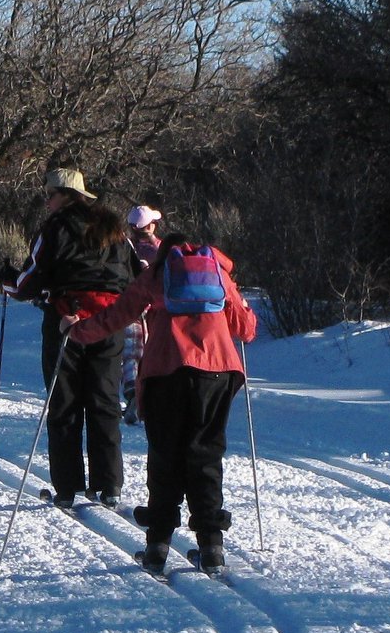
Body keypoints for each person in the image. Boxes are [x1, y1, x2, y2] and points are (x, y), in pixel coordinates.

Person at [64, 234, 258, 573]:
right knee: (205, 455)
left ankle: (157, 547)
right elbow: (247, 329)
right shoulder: (217, 273)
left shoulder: (154, 275)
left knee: (165, 456)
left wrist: (76, 331)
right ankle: (211, 547)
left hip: (164, 372)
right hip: (216, 373)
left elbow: (117, 316)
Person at [0, 168, 135, 506]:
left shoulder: (55, 227)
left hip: (67, 319)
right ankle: (109, 485)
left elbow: (29, 281)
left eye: (50, 195)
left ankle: (67, 487)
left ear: (65, 195)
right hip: (110, 321)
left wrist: (6, 279)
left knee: (65, 402)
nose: (46, 202)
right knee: (104, 401)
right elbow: (135, 274)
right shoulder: (115, 228)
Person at [120, 205, 163, 425]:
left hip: (130, 309)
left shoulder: (125, 249)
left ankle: (133, 398)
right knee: (149, 357)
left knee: (130, 355)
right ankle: (146, 401)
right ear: (151, 226)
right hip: (157, 312)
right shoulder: (162, 251)